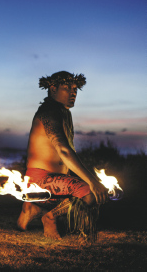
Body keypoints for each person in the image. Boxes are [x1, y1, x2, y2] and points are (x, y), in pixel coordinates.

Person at [17, 71, 108, 241]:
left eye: (75, 89)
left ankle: (32, 209)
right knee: (90, 192)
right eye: (67, 88)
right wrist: (92, 182)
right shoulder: (50, 111)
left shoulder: (64, 113)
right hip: (40, 180)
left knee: (93, 189)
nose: (73, 92)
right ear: (53, 88)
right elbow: (64, 151)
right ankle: (49, 217)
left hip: (57, 180)